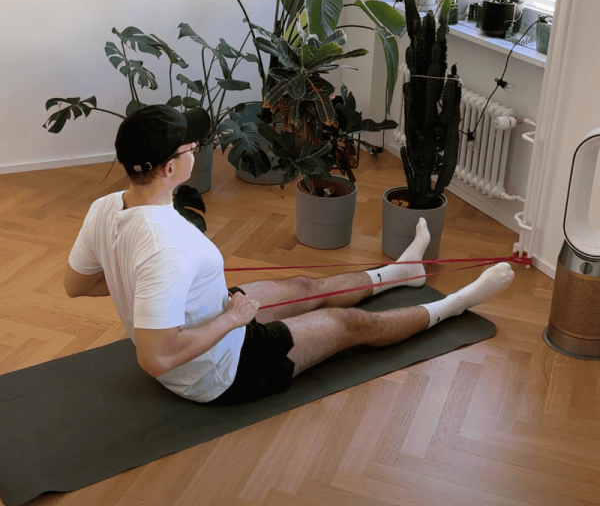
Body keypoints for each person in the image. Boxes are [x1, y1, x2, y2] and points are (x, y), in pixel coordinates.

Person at [64, 105, 515, 406]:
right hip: (217, 373)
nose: (197, 150)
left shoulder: (105, 208)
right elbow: (156, 359)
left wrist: (140, 286)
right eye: (191, 148)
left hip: (212, 315)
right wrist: (231, 320)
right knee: (347, 326)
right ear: (169, 168)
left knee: (305, 287)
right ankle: (454, 306)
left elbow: (76, 284)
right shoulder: (168, 247)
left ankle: (402, 274)